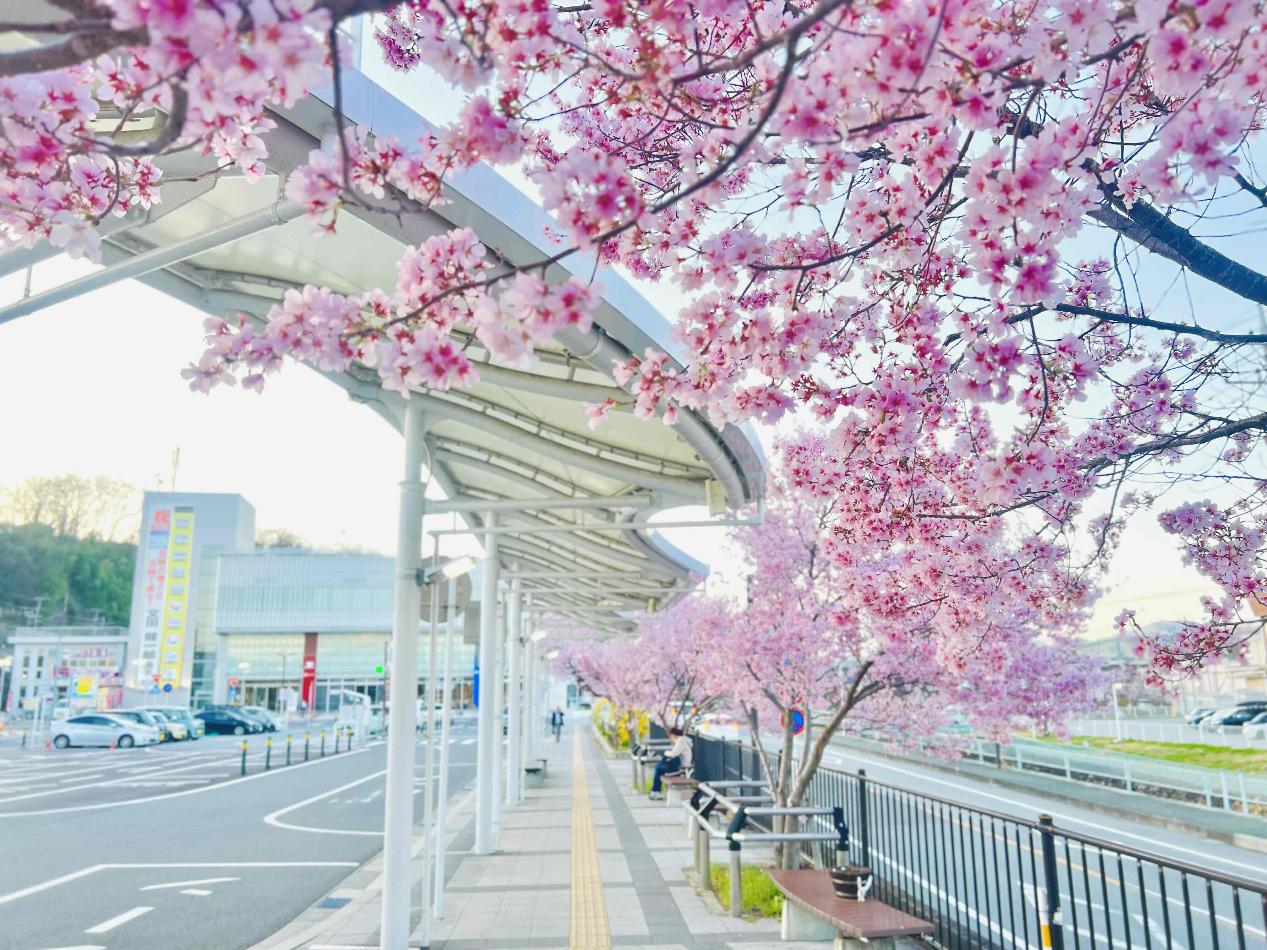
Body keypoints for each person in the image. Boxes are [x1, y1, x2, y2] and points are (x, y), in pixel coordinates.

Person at [649, 726, 692, 799]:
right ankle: (655, 791)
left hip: (681, 768)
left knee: (659, 769)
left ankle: (655, 791)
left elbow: (674, 754)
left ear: (673, 735)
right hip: (681, 766)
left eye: (670, 736)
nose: (670, 739)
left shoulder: (681, 741)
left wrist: (666, 752)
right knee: (659, 768)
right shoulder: (683, 741)